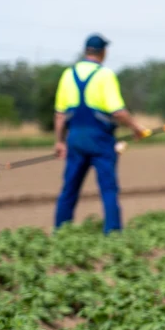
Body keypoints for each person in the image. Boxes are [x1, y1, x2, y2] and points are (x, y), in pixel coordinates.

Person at [54, 34, 145, 233]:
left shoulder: (68, 74)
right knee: (108, 189)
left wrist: (60, 142)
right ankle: (112, 232)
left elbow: (60, 115)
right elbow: (117, 111)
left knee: (69, 188)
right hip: (99, 139)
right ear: (103, 52)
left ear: (86, 51)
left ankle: (60, 231)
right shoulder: (105, 75)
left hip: (75, 138)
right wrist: (136, 128)